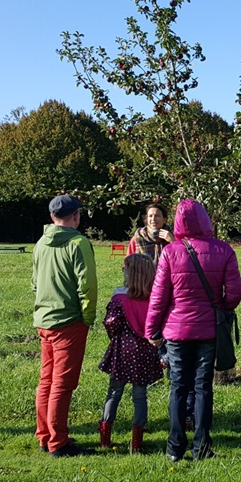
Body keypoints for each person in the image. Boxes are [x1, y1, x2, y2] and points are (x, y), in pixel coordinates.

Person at [145, 199, 241, 462]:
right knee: (203, 388)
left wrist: (152, 330)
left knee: (178, 387)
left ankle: (174, 446)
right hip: (208, 328)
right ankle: (201, 446)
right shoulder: (223, 250)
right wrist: (220, 307)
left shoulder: (171, 251)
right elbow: (235, 291)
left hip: (176, 330)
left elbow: (159, 296)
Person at [32, 194, 98, 458]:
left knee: (46, 381)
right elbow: (88, 285)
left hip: (44, 320)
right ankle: (58, 442)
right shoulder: (79, 243)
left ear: (51, 217)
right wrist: (88, 317)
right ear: (76, 216)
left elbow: (35, 283)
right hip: (69, 321)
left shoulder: (40, 243)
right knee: (62, 383)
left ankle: (44, 435)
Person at [97, 254, 164, 452]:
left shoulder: (119, 296)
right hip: (146, 350)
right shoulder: (154, 297)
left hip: (123, 350)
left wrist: (115, 336)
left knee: (114, 392)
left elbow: (111, 322)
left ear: (129, 273)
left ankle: (104, 438)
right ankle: (137, 442)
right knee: (140, 395)